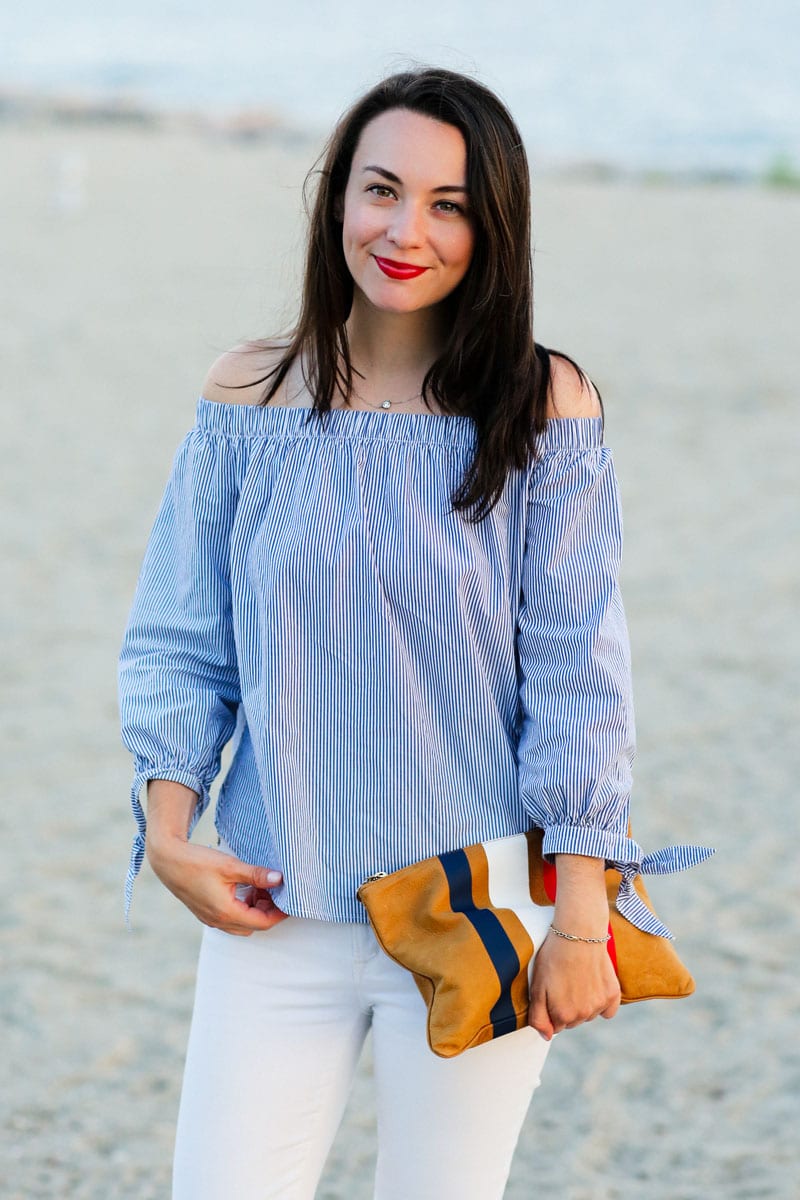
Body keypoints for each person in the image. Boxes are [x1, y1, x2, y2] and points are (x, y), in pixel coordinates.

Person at [118, 66, 702, 1199]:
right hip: (272, 900)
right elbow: (180, 641)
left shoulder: (543, 406)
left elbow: (579, 675)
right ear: (335, 195)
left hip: (476, 906)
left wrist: (580, 913)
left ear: (492, 230)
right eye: (381, 190)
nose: (405, 230)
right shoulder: (248, 396)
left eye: (448, 205)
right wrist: (171, 832)